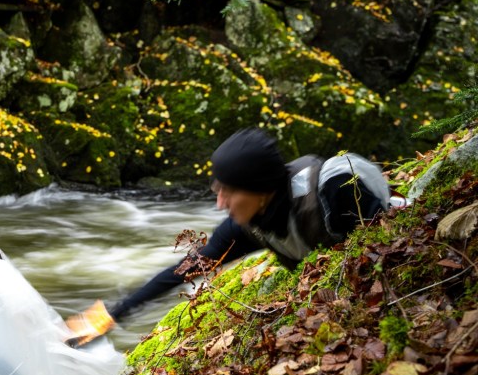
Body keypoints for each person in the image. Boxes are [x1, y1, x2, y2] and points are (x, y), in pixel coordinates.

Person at [66, 127, 390, 345]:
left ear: (262, 190)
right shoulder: (249, 224)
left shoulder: (333, 191)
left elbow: (386, 250)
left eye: (230, 193)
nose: (220, 203)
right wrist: (112, 314)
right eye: (218, 190)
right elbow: (187, 269)